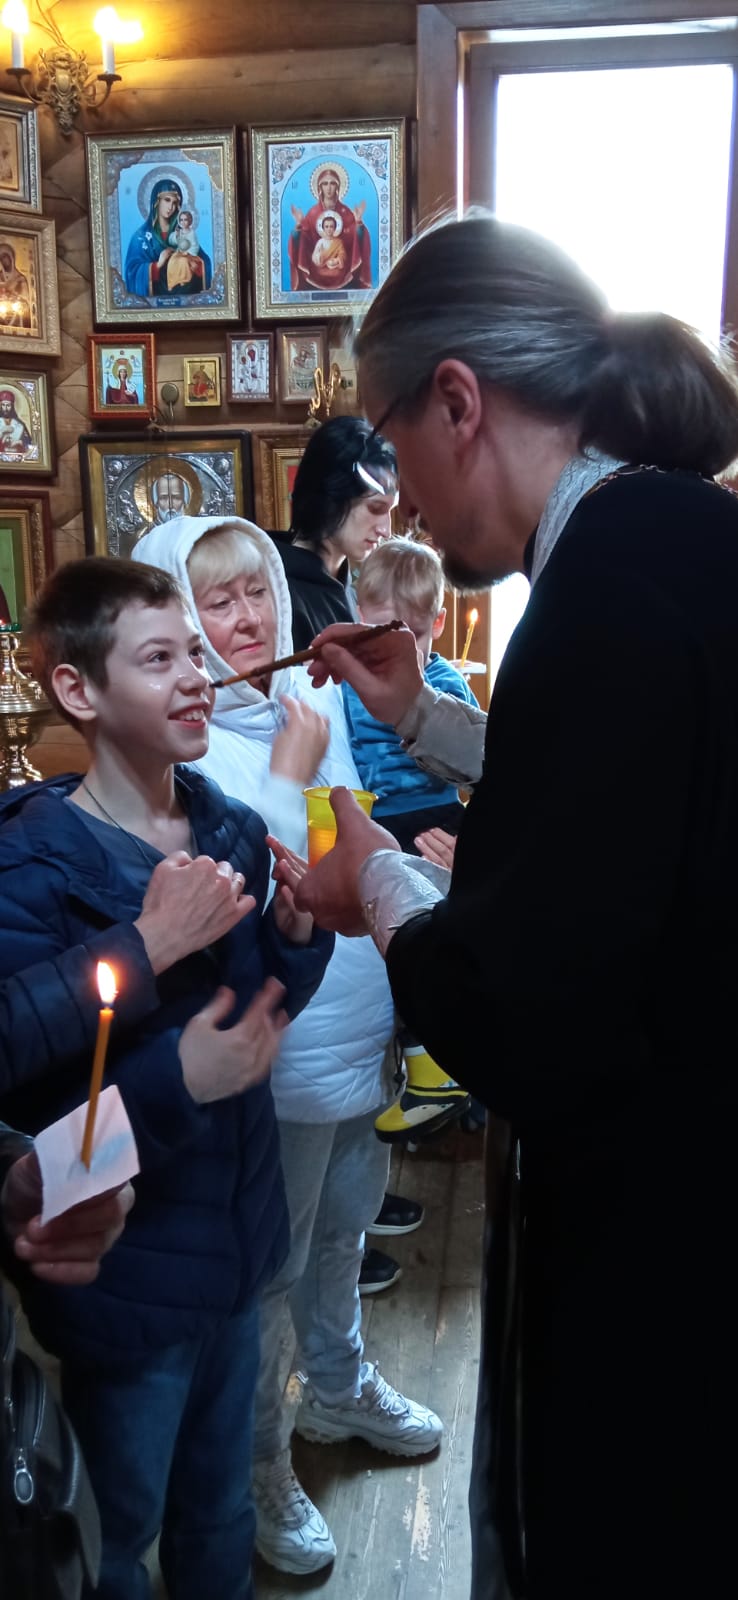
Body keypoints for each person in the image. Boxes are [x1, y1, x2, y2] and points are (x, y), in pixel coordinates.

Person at [277, 212, 738, 1600]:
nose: (405, 504)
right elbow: (618, 793)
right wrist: (419, 716)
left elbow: (526, 1018)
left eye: (392, 444)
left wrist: (378, 882)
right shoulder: (671, 539)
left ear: (458, 400)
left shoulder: (603, 589)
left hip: (662, 1230)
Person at [0, 556, 333, 1600]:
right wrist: (175, 1067)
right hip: (126, 1276)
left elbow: (260, 1004)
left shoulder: (223, 819)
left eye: (195, 651)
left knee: (221, 1508)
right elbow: (28, 1093)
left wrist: (296, 937)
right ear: (78, 689)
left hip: (234, 1242)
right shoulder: (34, 868)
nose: (196, 676)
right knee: (117, 1525)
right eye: (159, 659)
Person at [134, 514, 443, 1578]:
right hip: (281, 1045)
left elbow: (335, 846)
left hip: (359, 1025)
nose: (246, 616)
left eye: (256, 590)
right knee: (273, 1265)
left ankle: (340, 1389)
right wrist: (288, 773)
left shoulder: (305, 703)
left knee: (347, 1229)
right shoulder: (176, 740)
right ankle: (263, 1466)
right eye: (216, 600)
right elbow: (245, 887)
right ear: (178, 614)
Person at [344, 535, 478, 1142]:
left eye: (410, 637)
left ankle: (445, 1072)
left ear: (437, 625)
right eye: (375, 636)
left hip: (437, 821)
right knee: (391, 954)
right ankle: (426, 1072)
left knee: (430, 941)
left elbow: (478, 766)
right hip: (382, 820)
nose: (389, 655)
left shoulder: (446, 682)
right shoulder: (346, 686)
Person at [273, 414, 398, 649]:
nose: (386, 530)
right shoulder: (277, 595)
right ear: (331, 498)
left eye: (389, 511)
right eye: (375, 508)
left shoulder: (346, 589)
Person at [288, 165, 371, 293]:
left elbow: (355, 240)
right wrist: (298, 227)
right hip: (316, 267)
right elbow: (305, 239)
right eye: (325, 184)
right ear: (319, 187)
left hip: (342, 268)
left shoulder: (346, 212)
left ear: (338, 187)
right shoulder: (313, 213)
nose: (329, 187)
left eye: (332, 183)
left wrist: (358, 223)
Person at [124, 179, 211, 299]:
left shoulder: (183, 233)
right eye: (167, 200)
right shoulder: (141, 236)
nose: (171, 207)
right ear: (156, 201)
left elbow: (204, 261)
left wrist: (196, 266)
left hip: (185, 298)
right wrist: (157, 265)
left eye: (175, 203)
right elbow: (132, 271)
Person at [166, 210, 201, 290]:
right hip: (179, 252)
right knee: (172, 261)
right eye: (181, 220)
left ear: (190, 221)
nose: (183, 222)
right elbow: (171, 241)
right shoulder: (179, 232)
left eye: (185, 220)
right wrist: (176, 235)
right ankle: (172, 283)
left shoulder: (192, 233)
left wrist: (188, 253)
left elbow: (195, 246)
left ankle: (183, 280)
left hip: (189, 254)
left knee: (183, 261)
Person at [311, 212, 347, 276]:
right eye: (326, 227)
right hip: (321, 267)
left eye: (331, 226)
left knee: (337, 273)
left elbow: (343, 254)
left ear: (335, 228)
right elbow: (314, 257)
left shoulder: (338, 242)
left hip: (334, 267)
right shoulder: (320, 242)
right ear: (323, 228)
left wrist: (336, 260)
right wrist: (319, 256)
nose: (329, 229)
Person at [0, 387, 31, 454]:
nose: (5, 408)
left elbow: (28, 443)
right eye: (3, 405)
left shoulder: (20, 424)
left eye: (8, 405)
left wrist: (20, 442)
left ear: (12, 406)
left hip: (16, 454)